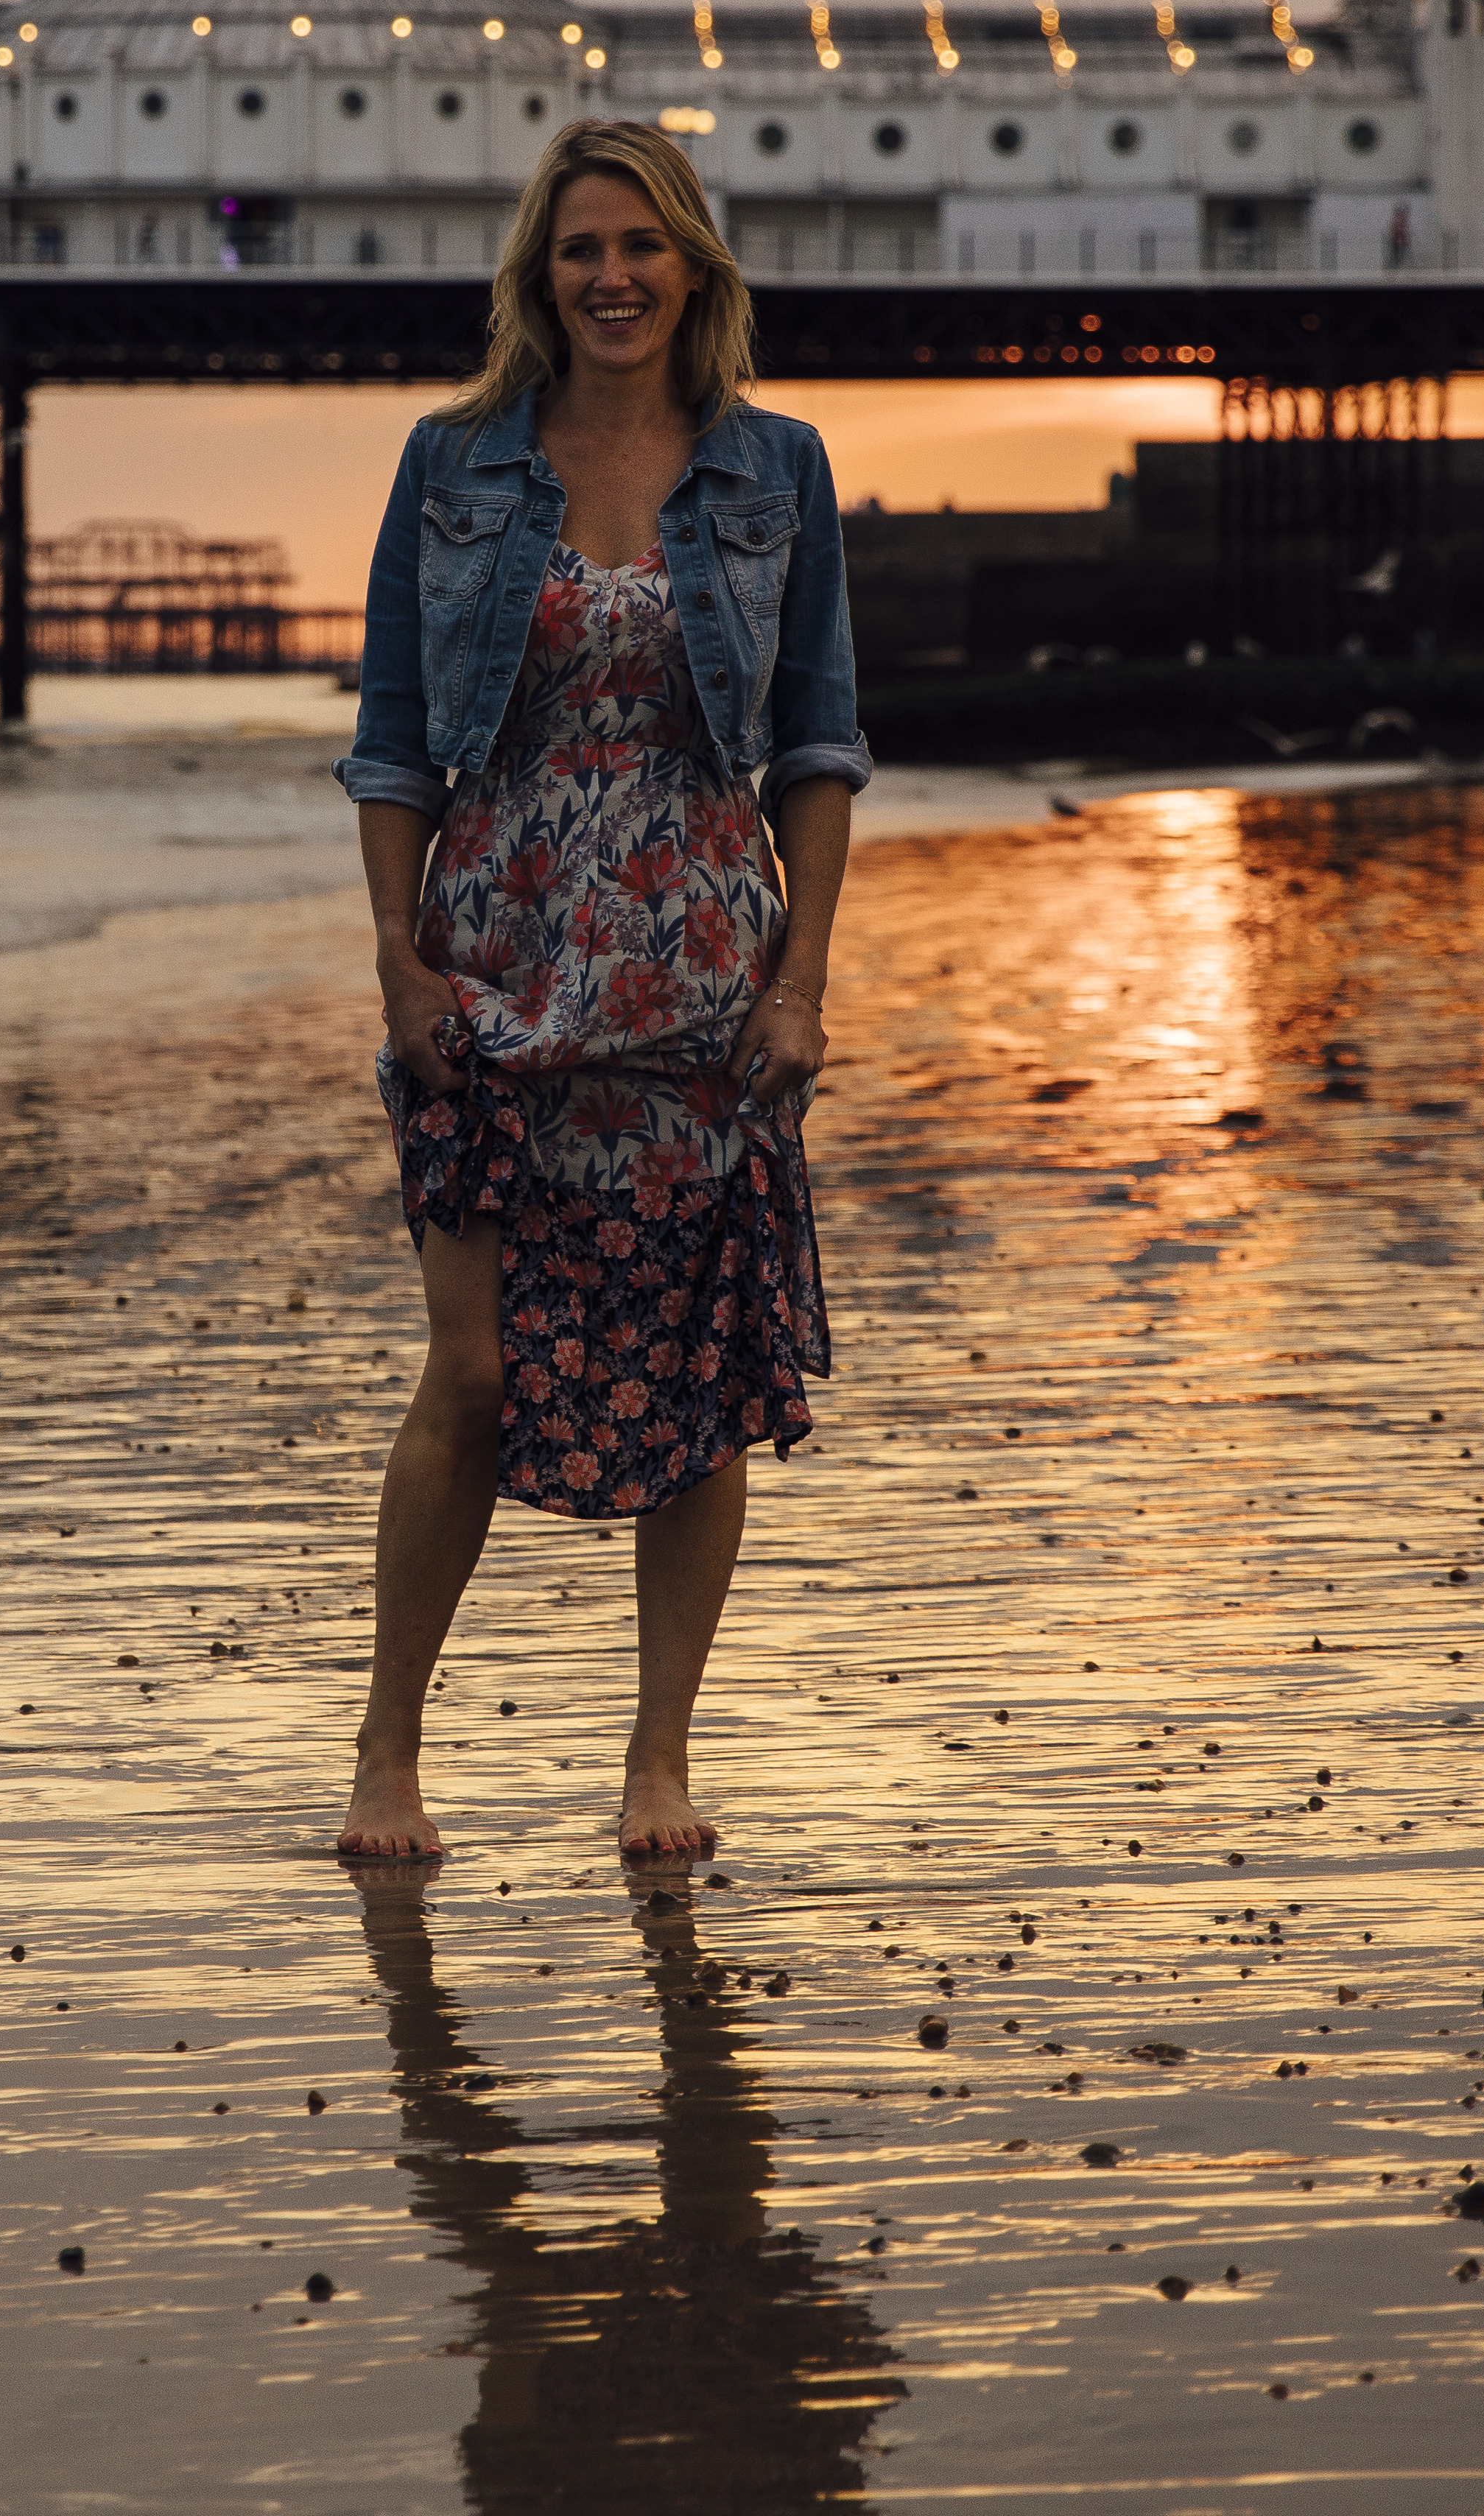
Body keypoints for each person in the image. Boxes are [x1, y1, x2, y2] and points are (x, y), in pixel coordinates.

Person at [331, 118, 868, 1863]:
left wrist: (802, 981)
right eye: (581, 249)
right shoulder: (454, 464)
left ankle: (656, 1761)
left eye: (643, 244)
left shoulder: (777, 468)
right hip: (490, 976)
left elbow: (818, 744)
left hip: (704, 987)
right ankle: (387, 1754)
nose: (613, 275)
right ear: (538, 275)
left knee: (701, 1376)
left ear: (695, 264)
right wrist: (401, 961)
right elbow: (396, 741)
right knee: (471, 1373)